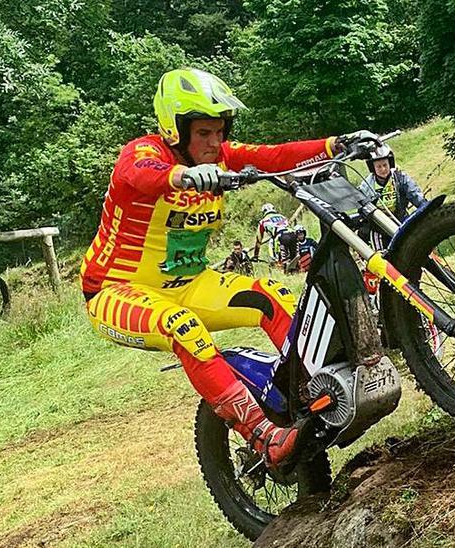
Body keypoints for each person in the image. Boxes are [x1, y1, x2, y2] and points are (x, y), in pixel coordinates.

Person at [79, 67, 377, 470]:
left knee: (273, 296)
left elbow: (272, 156)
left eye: (219, 132)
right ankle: (263, 436)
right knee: (182, 326)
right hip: (116, 290)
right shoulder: (146, 153)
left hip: (191, 282)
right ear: (175, 130)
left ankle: (312, 394)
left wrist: (333, 144)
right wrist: (184, 176)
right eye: (204, 133)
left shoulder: (221, 157)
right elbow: (136, 174)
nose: (215, 142)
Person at [358, 144, 427, 222]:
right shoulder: (366, 185)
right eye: (379, 167)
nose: (383, 169)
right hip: (379, 224)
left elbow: (415, 195)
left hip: (400, 220)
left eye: (385, 165)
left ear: (390, 164)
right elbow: (361, 207)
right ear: (372, 168)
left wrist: (426, 208)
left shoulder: (400, 178)